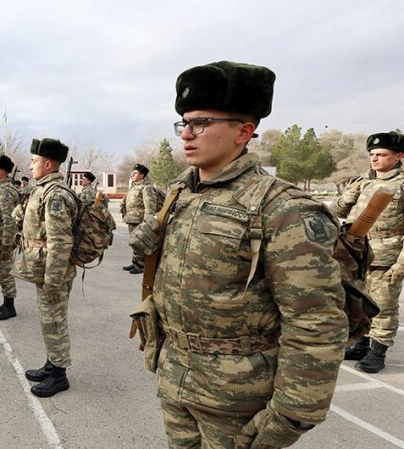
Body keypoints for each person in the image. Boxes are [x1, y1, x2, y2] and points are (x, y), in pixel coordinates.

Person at [130, 61, 348, 448]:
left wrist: (291, 416)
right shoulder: (182, 192)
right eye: (184, 123)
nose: (187, 135)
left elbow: (315, 321)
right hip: (176, 378)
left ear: (243, 131)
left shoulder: (281, 207)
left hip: (239, 398)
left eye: (201, 123)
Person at [330, 131, 404, 373]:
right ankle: (361, 343)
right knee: (358, 303)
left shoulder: (401, 185)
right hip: (357, 255)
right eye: (372, 155)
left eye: (381, 154)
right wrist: (347, 196)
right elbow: (336, 212)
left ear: (399, 156)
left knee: (383, 305)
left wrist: (401, 265)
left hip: (386, 257)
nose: (374, 159)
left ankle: (378, 351)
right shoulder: (362, 182)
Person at [15, 138, 78, 398]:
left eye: (34, 161)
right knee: (47, 320)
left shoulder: (55, 195)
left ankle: (59, 375)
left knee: (54, 321)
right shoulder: (43, 189)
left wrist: (53, 280)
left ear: (48, 163)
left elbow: (60, 242)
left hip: (53, 271)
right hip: (43, 267)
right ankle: (53, 363)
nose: (30, 166)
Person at [0, 155, 20, 319]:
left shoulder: (6, 191)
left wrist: (7, 244)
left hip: (3, 241)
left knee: (6, 272)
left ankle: (10, 307)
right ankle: (5, 303)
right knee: (1, 272)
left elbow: (10, 220)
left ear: (3, 171)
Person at [121, 164, 158, 274]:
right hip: (132, 219)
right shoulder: (133, 187)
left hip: (140, 220)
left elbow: (150, 207)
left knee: (140, 243)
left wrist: (147, 222)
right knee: (134, 243)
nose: (132, 174)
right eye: (132, 172)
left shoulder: (146, 188)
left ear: (142, 175)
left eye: (135, 173)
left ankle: (141, 266)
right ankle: (135, 263)